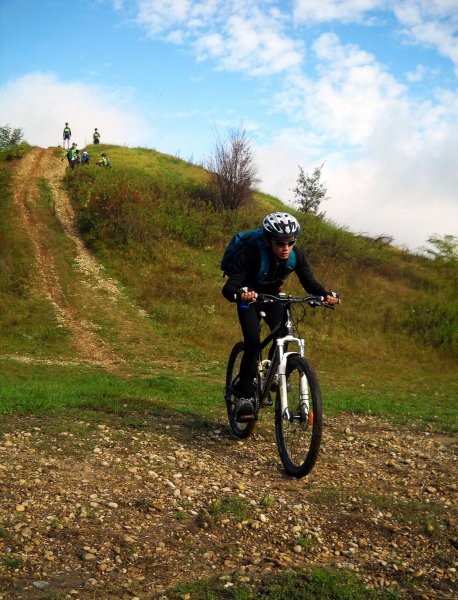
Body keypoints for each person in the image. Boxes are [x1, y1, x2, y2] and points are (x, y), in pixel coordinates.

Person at [222, 212, 340, 422]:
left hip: (272, 296)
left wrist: (325, 295)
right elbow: (229, 286)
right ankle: (244, 396)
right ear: (268, 241)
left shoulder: (296, 256)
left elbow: (309, 282)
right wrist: (241, 292)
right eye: (280, 243)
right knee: (253, 342)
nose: (286, 248)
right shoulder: (252, 253)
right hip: (248, 297)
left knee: (284, 333)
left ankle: (274, 373)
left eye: (291, 242)